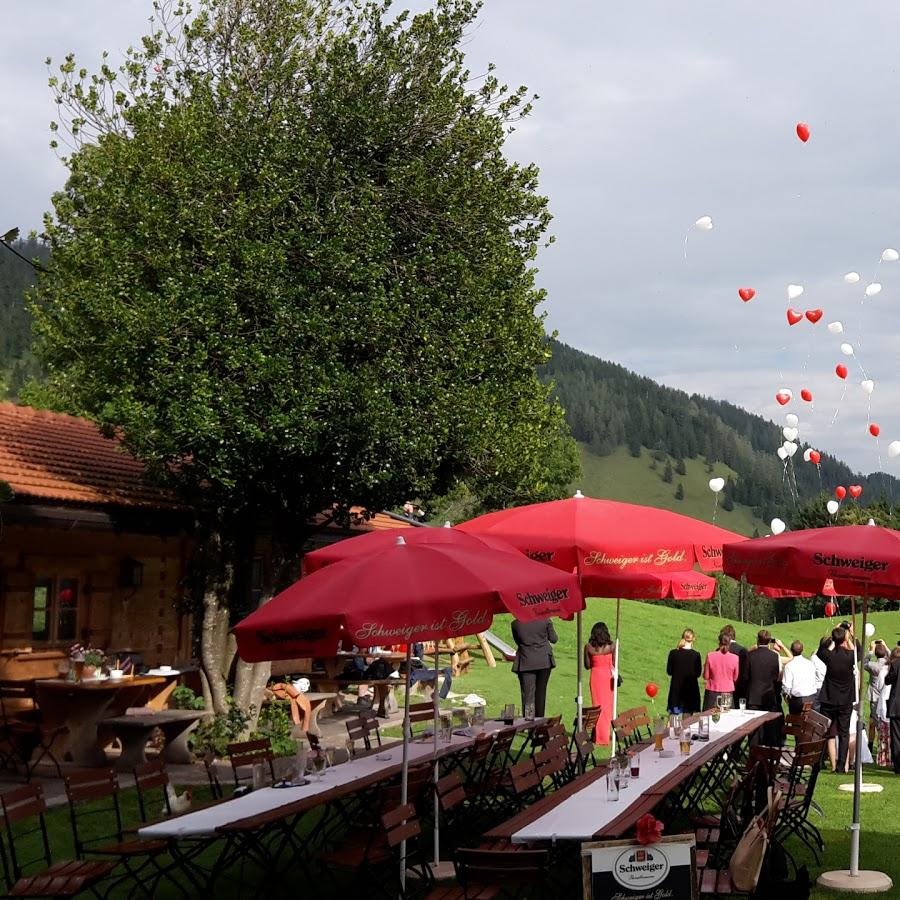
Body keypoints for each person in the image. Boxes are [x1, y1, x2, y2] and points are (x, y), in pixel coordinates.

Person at [817, 625, 857, 773]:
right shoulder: (850, 656)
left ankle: (820, 761)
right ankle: (841, 766)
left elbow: (821, 649)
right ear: (845, 639)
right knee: (844, 734)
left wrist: (831, 634)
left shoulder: (829, 655)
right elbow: (858, 648)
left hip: (829, 699)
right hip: (845, 700)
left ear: (834, 639)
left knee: (825, 731)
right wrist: (851, 635)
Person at [511, 618, 558, 720]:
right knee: (541, 692)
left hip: (526, 660)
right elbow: (554, 639)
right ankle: (539, 720)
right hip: (543, 660)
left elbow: (518, 641)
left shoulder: (515, 624)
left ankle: (529, 721)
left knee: (528, 694)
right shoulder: (545, 621)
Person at [746, 630, 784, 745]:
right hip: (769, 696)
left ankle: (754, 757)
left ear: (757, 640)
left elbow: (745, 676)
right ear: (769, 641)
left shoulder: (750, 656)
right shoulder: (775, 656)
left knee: (753, 730)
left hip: (753, 697)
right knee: (769, 729)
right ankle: (766, 756)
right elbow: (777, 677)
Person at [584, 621, 615, 745]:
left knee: (597, 706)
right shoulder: (611, 646)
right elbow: (615, 663)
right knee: (607, 707)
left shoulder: (589, 647)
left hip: (596, 677)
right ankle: (603, 735)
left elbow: (587, 666)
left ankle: (598, 735)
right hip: (607, 677)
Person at [666, 628, 702, 714]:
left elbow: (669, 671)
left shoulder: (673, 653)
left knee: (673, 721)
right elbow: (698, 674)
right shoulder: (696, 655)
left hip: (676, 690)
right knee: (687, 722)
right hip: (691, 690)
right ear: (693, 639)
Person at [703, 632, 739, 711]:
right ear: (729, 643)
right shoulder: (735, 658)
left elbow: (706, 676)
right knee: (727, 719)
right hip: (727, 692)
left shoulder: (710, 655)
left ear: (719, 642)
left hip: (712, 691)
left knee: (710, 718)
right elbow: (735, 678)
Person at [781, 639, 819, 715]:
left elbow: (786, 688)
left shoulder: (789, 666)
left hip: (798, 701)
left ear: (791, 650)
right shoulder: (810, 663)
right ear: (802, 650)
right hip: (813, 699)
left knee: (796, 724)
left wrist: (787, 699)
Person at [865, 640, 890, 748]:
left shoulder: (872, 665)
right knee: (881, 722)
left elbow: (864, 662)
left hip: (875, 698)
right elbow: (894, 657)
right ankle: (881, 747)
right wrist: (885, 646)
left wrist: (870, 651)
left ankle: (871, 746)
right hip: (886, 697)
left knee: (874, 722)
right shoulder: (889, 664)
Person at [721, 624, 749, 702]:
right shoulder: (742, 650)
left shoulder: (719, 650)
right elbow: (745, 674)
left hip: (722, 688)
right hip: (739, 688)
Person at [883, 646, 900, 774]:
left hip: (897, 706)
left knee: (896, 737)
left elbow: (888, 680)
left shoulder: (896, 664)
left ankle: (898, 765)